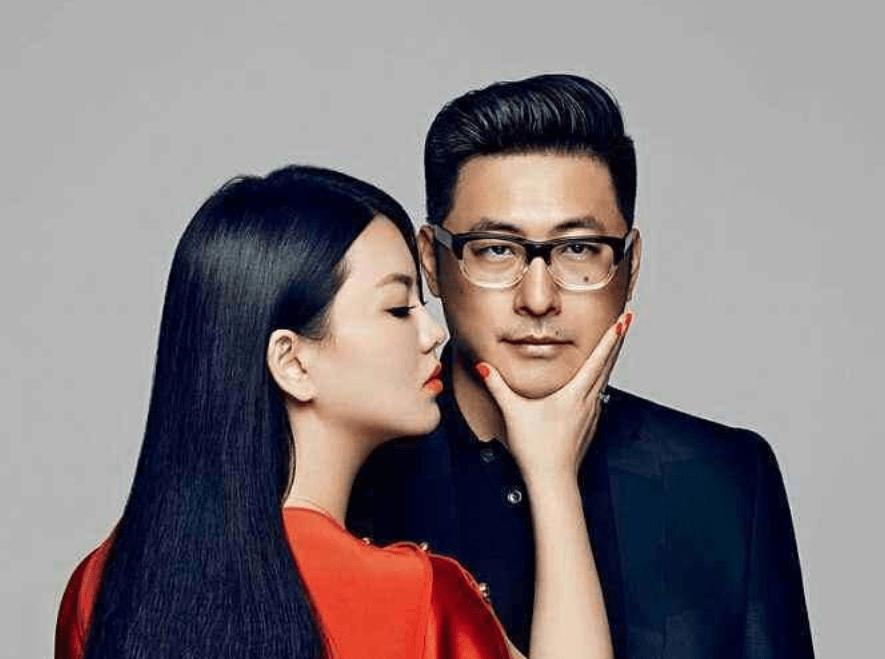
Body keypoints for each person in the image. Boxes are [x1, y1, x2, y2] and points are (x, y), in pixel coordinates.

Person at [55, 164, 620, 659]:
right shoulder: (414, 595)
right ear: (292, 361)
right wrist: (551, 476)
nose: (432, 334)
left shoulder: (100, 584)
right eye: (397, 308)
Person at [347, 74, 815, 658]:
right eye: (496, 249)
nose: (538, 298)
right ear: (431, 262)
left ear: (630, 264)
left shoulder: (723, 478)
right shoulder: (353, 470)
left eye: (577, 249)